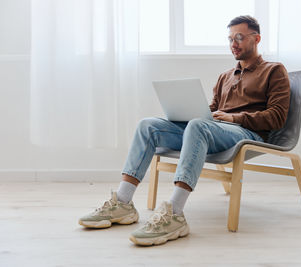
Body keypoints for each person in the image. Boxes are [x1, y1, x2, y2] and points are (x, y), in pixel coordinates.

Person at [79, 15, 290, 246]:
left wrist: (232, 117)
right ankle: (123, 202)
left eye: (239, 37)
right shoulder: (225, 76)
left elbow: (277, 117)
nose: (233, 44)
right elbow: (211, 110)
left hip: (246, 133)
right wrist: (190, 111)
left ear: (256, 38)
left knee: (198, 125)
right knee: (148, 125)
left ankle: (175, 213)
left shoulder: (274, 70)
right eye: (230, 39)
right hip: (214, 130)